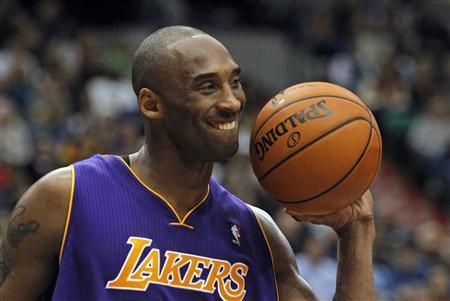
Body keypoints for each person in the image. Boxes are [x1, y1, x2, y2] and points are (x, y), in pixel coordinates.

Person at [0, 26, 376, 301]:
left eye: (235, 82)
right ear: (151, 104)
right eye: (208, 86)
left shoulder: (259, 236)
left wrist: (357, 231)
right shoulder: (65, 198)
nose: (233, 102)